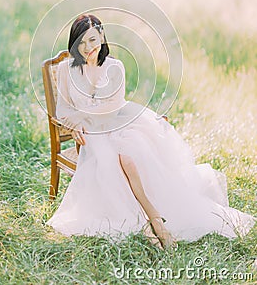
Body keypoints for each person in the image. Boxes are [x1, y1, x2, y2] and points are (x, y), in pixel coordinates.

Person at [46, 14, 255, 249]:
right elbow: (63, 109)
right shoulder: (66, 69)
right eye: (81, 42)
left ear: (102, 37)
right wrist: (76, 124)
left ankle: (155, 220)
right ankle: (148, 225)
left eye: (92, 40)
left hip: (117, 124)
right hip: (92, 134)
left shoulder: (114, 67)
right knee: (113, 162)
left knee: (130, 159)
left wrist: (88, 116)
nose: (87, 48)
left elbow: (113, 106)